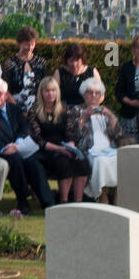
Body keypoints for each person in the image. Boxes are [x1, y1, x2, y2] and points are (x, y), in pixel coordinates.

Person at [0, 78, 56, 212]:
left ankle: (48, 203)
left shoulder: (15, 109)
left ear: (5, 95)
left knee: (34, 164)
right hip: (0, 151)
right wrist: (4, 148)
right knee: (15, 161)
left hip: (19, 147)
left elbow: (25, 128)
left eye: (0, 93)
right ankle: (22, 201)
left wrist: (18, 143)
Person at [28, 74, 89, 202]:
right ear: (41, 92)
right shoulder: (34, 111)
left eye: (53, 90)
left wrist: (71, 147)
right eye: (47, 91)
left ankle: (78, 201)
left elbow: (71, 132)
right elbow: (38, 139)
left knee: (81, 161)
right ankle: (64, 200)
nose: (50, 94)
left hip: (65, 146)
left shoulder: (65, 109)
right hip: (46, 150)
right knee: (63, 162)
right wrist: (60, 149)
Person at [71, 77, 125, 203]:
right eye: (90, 93)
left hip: (109, 149)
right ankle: (102, 195)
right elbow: (75, 135)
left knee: (123, 159)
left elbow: (119, 135)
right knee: (100, 161)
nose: (94, 96)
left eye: (97, 93)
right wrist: (84, 116)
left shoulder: (105, 111)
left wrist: (111, 116)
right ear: (84, 94)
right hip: (89, 150)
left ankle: (119, 200)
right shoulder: (76, 111)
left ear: (101, 96)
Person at [1, 26, 47, 110]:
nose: (29, 48)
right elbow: (5, 89)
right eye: (26, 44)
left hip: (37, 108)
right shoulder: (10, 63)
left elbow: (44, 86)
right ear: (19, 43)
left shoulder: (41, 62)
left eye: (32, 44)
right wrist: (16, 107)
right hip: (15, 107)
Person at [56, 43, 100, 107]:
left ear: (82, 59)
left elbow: (101, 94)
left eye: (77, 60)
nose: (74, 64)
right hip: (64, 110)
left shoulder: (92, 72)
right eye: (71, 60)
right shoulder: (59, 73)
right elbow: (54, 94)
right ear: (66, 60)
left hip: (87, 109)